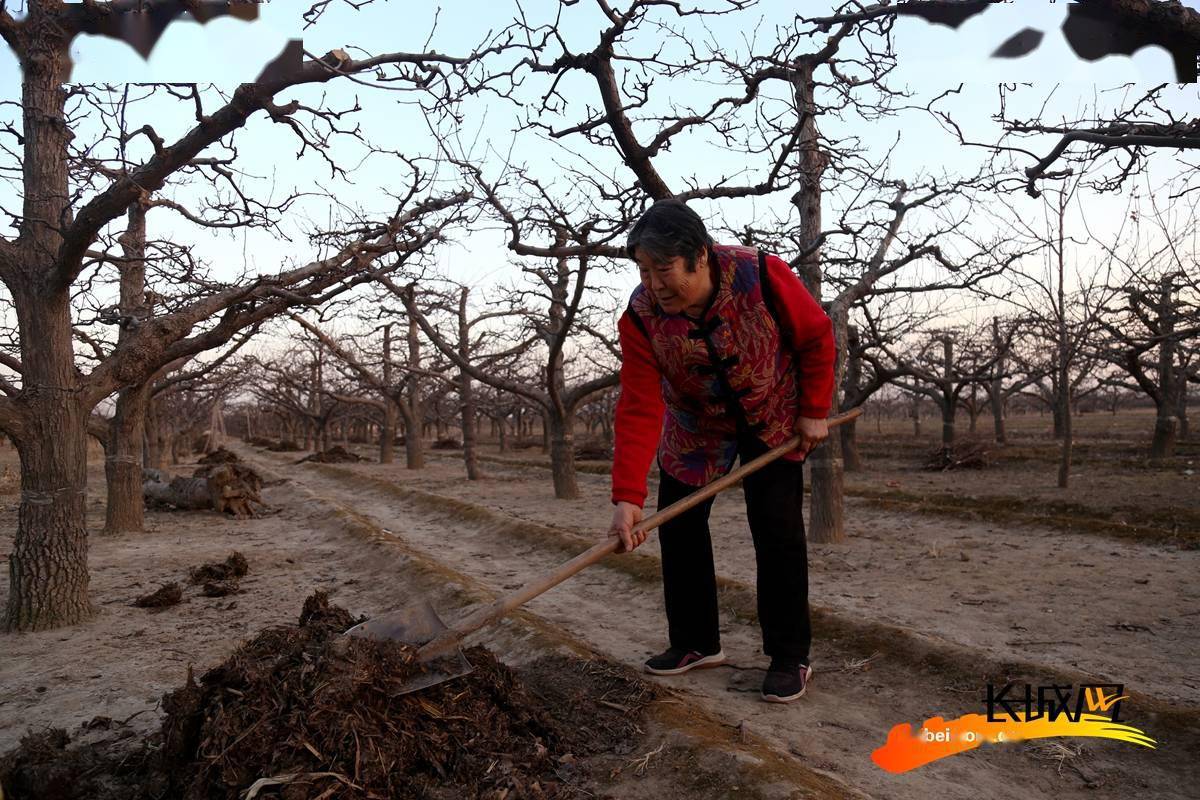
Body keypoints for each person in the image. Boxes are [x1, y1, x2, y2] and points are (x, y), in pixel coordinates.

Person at [609, 199, 836, 704]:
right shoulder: (641, 316)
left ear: (701, 257)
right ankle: (695, 642)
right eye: (644, 271)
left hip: (771, 413)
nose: (654, 284)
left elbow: (817, 338)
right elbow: (640, 402)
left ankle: (788, 655)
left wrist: (814, 409)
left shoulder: (763, 276)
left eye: (664, 270)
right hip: (696, 427)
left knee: (776, 531)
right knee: (679, 525)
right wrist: (627, 496)